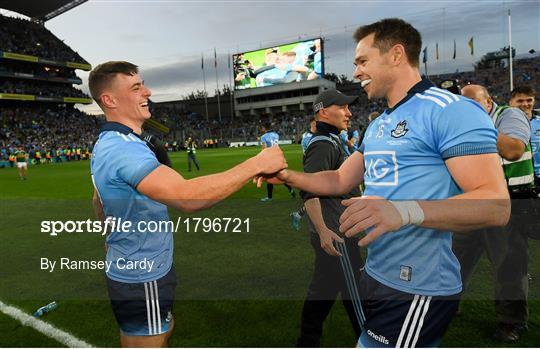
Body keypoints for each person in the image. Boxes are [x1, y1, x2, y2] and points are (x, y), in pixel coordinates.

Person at [256, 18, 509, 347]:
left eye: (362, 61)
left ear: (396, 55)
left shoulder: (450, 111)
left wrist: (402, 212)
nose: (356, 72)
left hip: (418, 285)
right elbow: (338, 179)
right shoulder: (379, 125)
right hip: (377, 274)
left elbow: (496, 205)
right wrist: (288, 176)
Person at [88, 61, 287, 348]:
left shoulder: (113, 141)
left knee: (155, 332)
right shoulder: (123, 149)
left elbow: (98, 198)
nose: (148, 91)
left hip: (139, 268)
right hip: (143, 275)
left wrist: (111, 236)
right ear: (109, 100)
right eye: (136, 87)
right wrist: (256, 164)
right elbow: (185, 196)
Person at [454, 84, 534, 342]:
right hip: (472, 203)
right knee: (453, 260)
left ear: (489, 102)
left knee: (508, 263)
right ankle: (444, 305)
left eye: (472, 106)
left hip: (507, 204)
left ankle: (511, 322)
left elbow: (513, 149)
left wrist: (473, 130)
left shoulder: (509, 115)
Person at [296, 89, 363, 347]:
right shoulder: (323, 143)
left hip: (338, 230)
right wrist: (323, 231)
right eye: (343, 108)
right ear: (324, 111)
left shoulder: (332, 140)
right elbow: (310, 189)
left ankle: (307, 340)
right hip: (337, 234)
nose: (349, 113)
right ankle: (372, 339)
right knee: (355, 294)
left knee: (323, 290)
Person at [291, 117, 317, 231]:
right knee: (319, 198)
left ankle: (298, 215)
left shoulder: (317, 135)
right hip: (312, 169)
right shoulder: (307, 137)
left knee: (320, 198)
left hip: (319, 168)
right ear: (313, 123)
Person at [259, 121, 295, 202]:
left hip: (270, 159)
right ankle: (290, 189)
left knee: (269, 177)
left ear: (264, 128)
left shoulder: (263, 137)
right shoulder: (276, 135)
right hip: (277, 156)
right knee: (279, 175)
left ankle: (269, 197)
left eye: (262, 127)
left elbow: (264, 149)